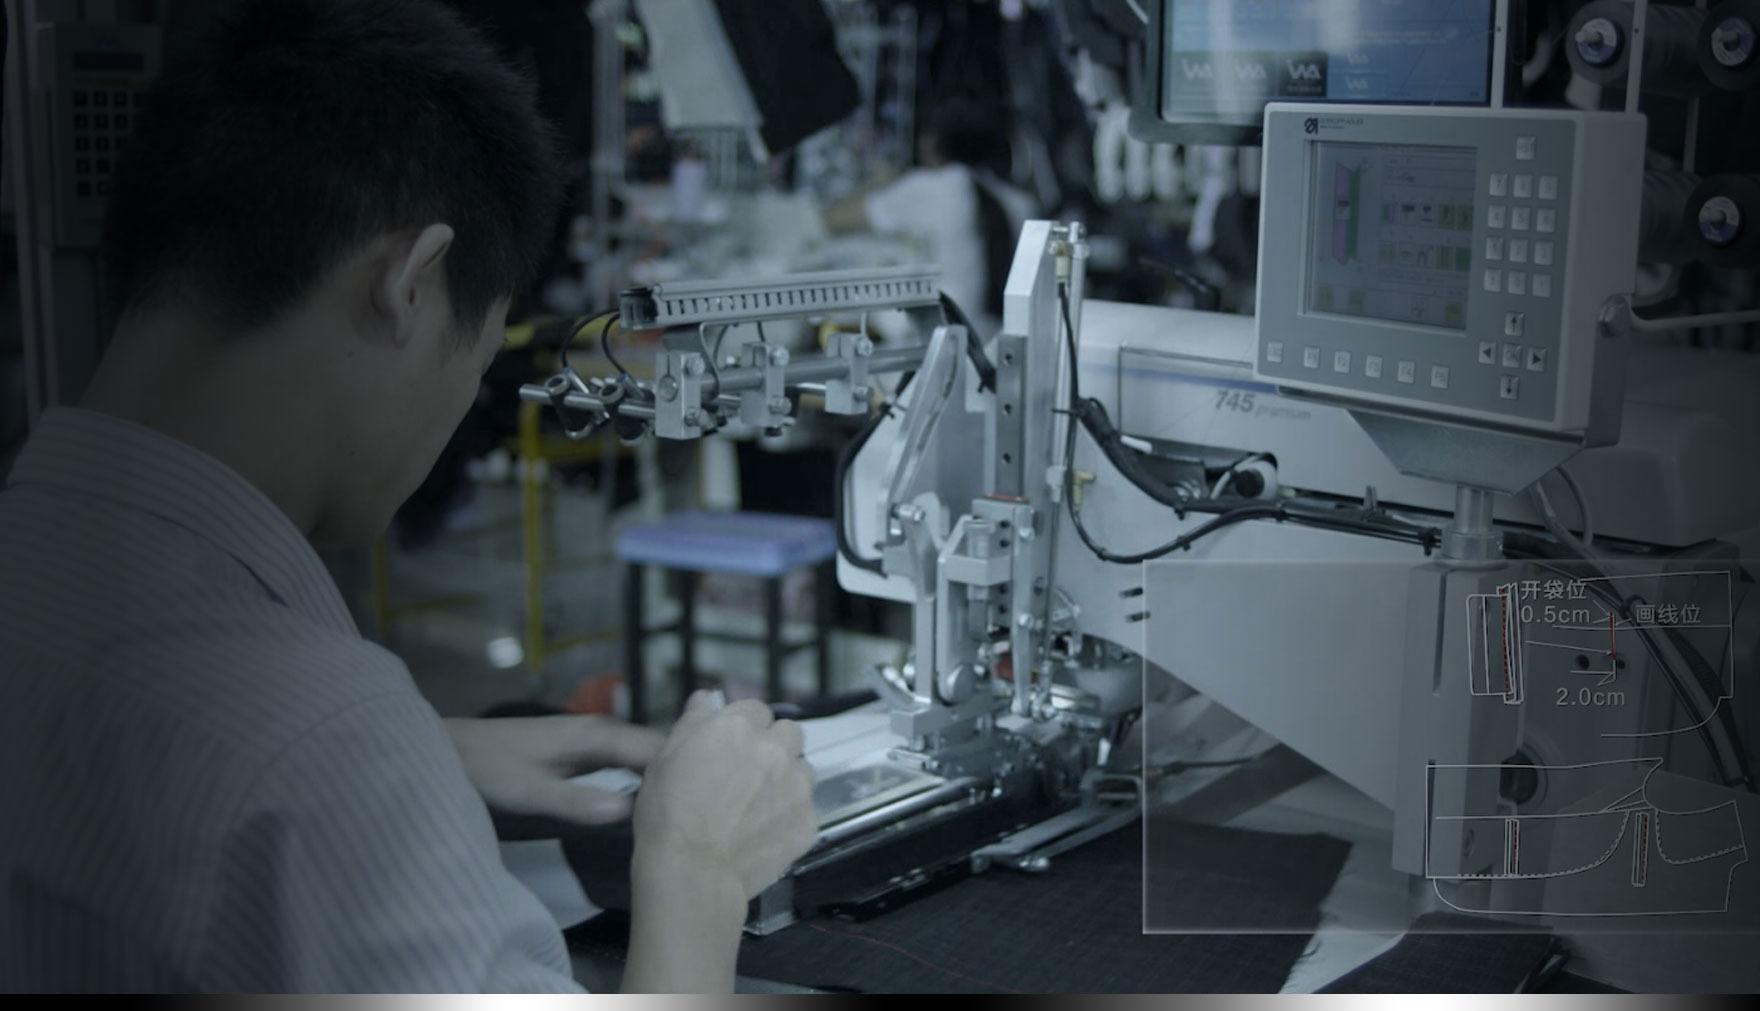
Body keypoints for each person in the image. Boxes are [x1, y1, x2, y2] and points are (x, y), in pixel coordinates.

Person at [0, 0, 815, 994]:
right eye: (478, 359)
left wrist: (426, 753)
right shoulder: (317, 729)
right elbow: (273, 756)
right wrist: (699, 866)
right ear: (411, 283)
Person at [825, 98, 1037, 334]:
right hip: (993, 339)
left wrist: (877, 181)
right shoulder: (1019, 203)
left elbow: (835, 219)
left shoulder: (936, 188)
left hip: (942, 339)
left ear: (932, 141)